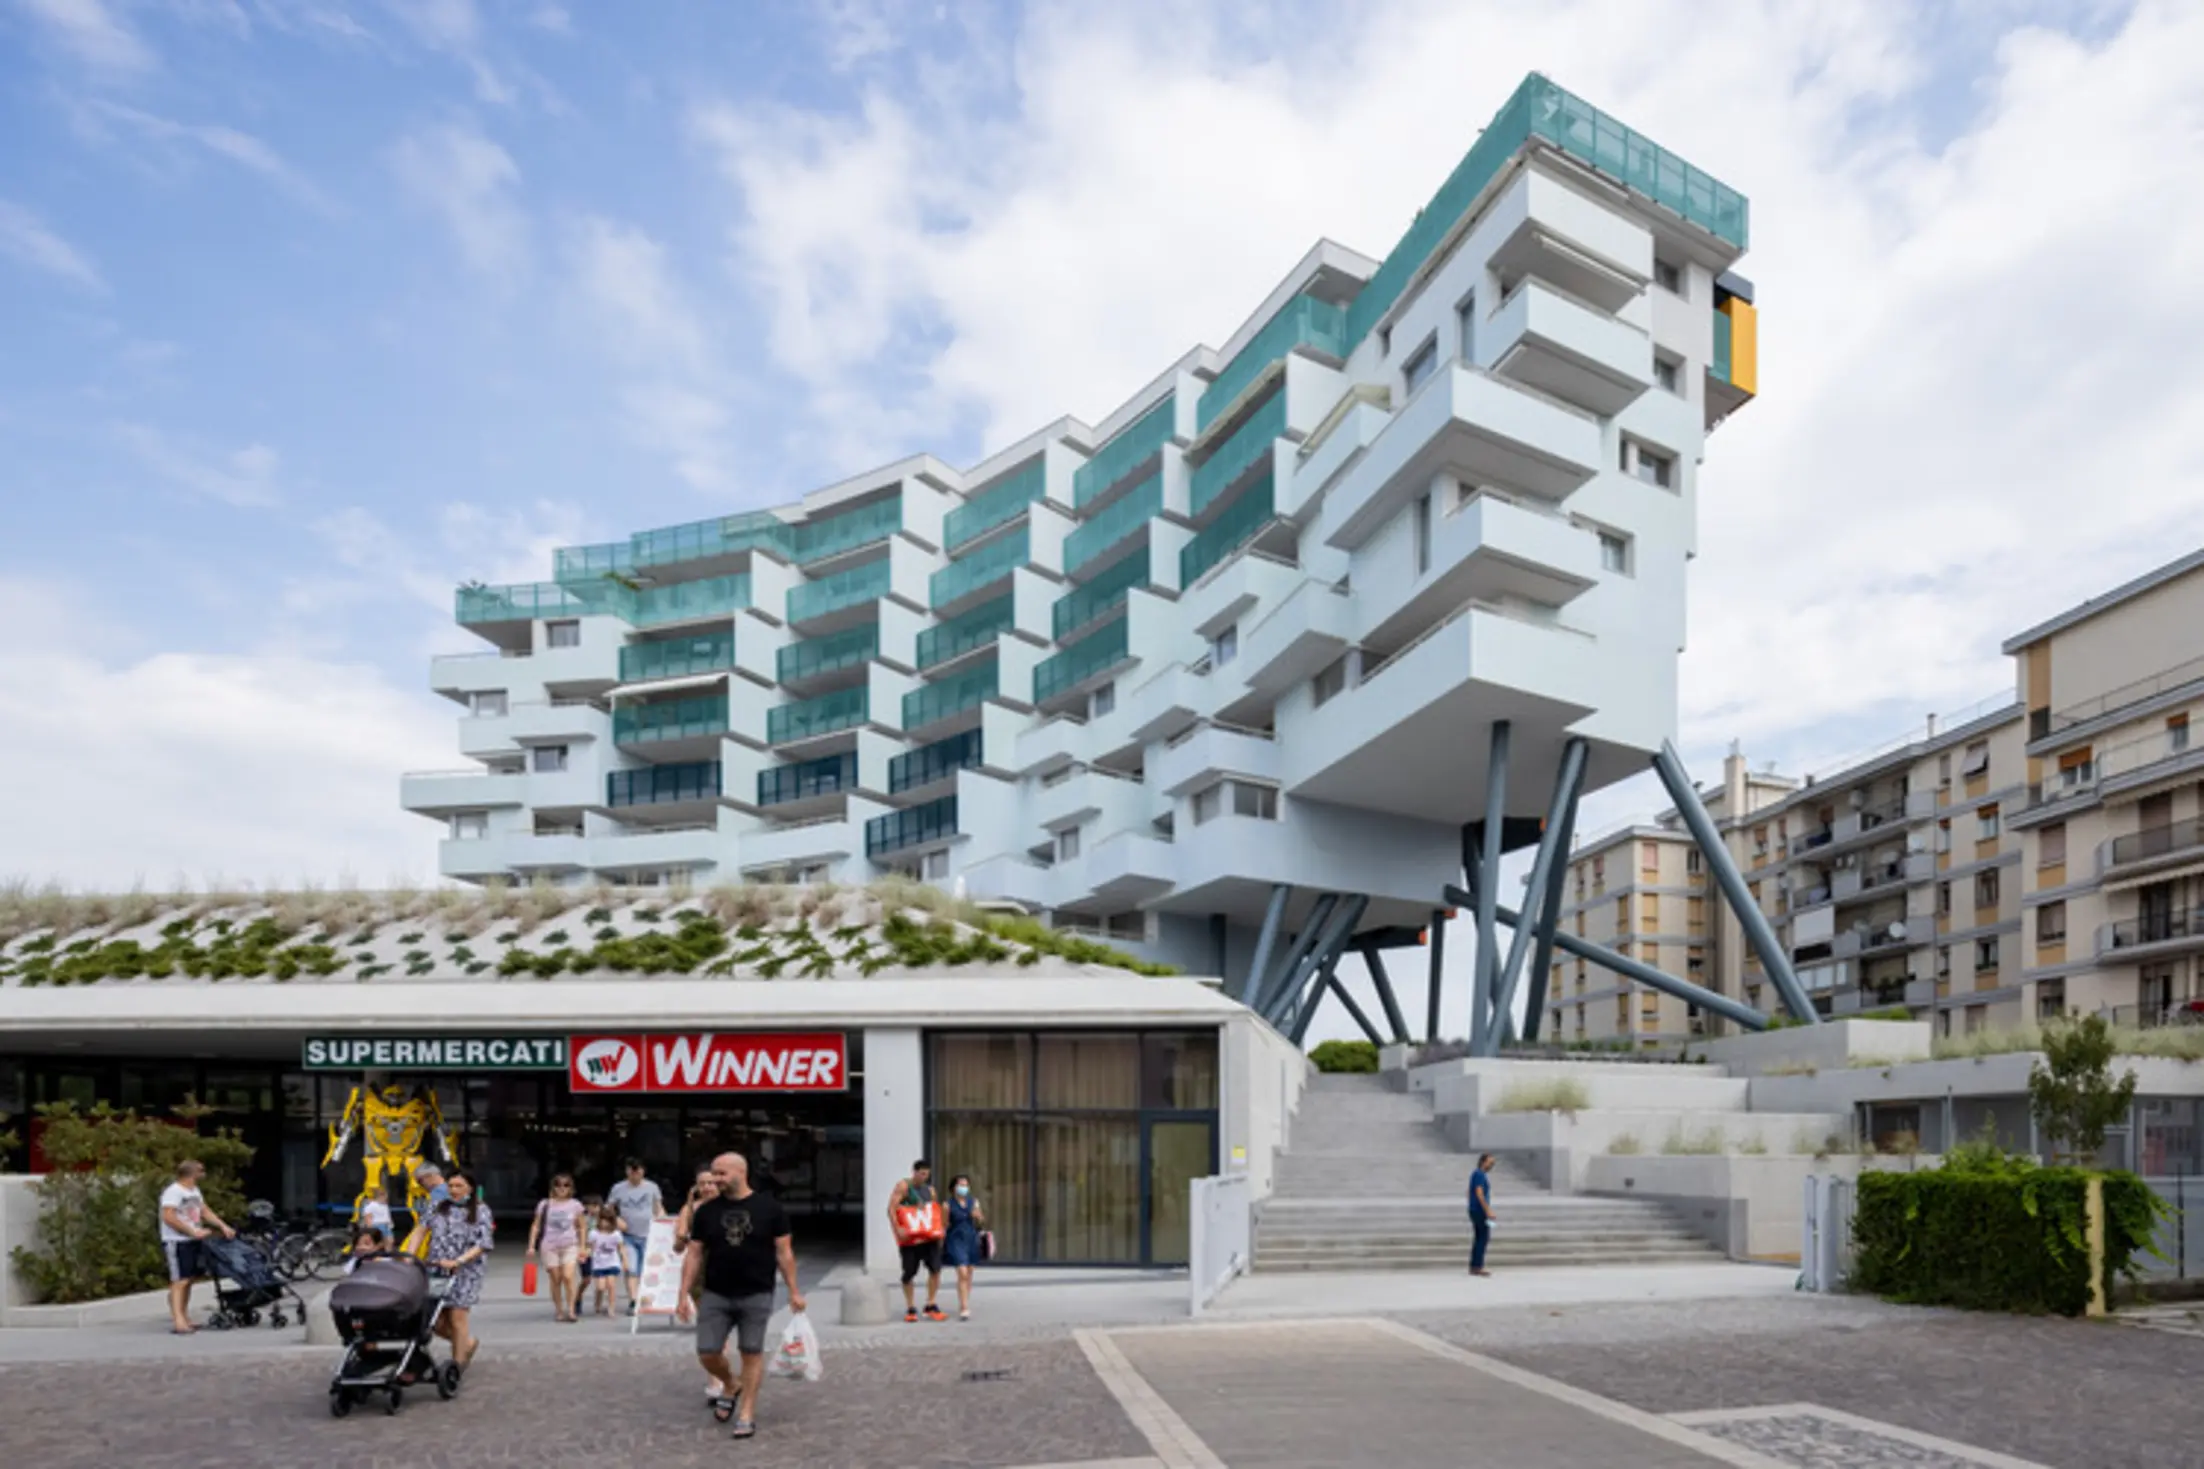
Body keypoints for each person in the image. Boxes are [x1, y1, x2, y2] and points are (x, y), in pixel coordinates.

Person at [686, 1152, 804, 1441]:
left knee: (751, 1352)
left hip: (757, 1292)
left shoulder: (770, 1208)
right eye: (713, 1173)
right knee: (708, 1351)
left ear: (741, 1172)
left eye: (721, 1173)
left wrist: (794, 1290)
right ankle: (730, 1383)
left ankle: (747, 1412)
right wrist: (683, 1293)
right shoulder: (706, 1212)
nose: (715, 1179)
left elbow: (784, 1252)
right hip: (716, 1292)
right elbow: (695, 1252)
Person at [424, 1169, 493, 1378]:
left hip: (466, 1270)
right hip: (436, 1268)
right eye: (451, 1186)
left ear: (470, 1188)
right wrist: (407, 1256)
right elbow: (421, 1230)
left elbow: (483, 1243)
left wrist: (459, 1260)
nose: (453, 1190)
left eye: (459, 1186)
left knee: (457, 1317)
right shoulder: (436, 1207)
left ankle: (457, 1364)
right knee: (434, 1321)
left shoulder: (481, 1211)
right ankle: (467, 1343)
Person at [159, 1159, 235, 1335]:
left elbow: (204, 1210)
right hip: (176, 1240)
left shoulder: (194, 1191)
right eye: (201, 1171)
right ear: (192, 1173)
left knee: (189, 1279)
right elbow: (168, 1217)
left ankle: (185, 1316)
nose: (203, 1174)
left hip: (193, 1239)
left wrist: (222, 1225)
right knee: (180, 1280)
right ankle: (178, 1320)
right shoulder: (174, 1192)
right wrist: (191, 1231)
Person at [526, 1173, 589, 1323]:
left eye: (566, 1185)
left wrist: (582, 1246)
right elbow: (536, 1225)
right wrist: (531, 1245)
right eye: (558, 1185)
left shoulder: (575, 1205)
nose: (562, 1188)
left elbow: (582, 1227)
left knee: (568, 1276)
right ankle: (559, 1310)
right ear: (553, 1187)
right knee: (555, 1278)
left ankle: (571, 1309)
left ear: (571, 1188)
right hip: (550, 1244)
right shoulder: (545, 1204)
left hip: (570, 1244)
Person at [887, 1157, 945, 1323]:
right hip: (911, 1239)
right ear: (914, 1172)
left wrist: (939, 1231)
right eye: (921, 1174)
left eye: (927, 1174)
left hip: (928, 1237)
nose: (924, 1177)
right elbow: (891, 1208)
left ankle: (931, 1303)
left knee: (935, 1269)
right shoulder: (904, 1186)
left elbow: (934, 1212)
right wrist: (898, 1228)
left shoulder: (930, 1190)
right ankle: (911, 1306)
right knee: (909, 1272)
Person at [607, 1157, 665, 1310]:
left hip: (649, 1235)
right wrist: (616, 1220)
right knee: (631, 1267)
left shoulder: (652, 1187)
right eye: (631, 1170)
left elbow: (658, 1207)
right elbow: (609, 1209)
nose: (634, 1174)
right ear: (626, 1171)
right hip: (628, 1235)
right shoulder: (618, 1188)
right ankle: (633, 1299)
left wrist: (664, 1223)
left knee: (645, 1269)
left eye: (637, 1170)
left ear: (642, 1171)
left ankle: (645, 1297)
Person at [670, 1166, 720, 1330]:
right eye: (702, 1184)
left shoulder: (729, 1206)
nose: (706, 1187)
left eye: (710, 1183)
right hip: (699, 1259)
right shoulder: (690, 1209)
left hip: (724, 1259)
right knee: (699, 1293)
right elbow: (678, 1246)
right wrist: (682, 1238)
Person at [941, 1173, 987, 1321]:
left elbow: (981, 1221)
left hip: (971, 1239)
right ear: (954, 1187)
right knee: (962, 1272)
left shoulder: (973, 1202)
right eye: (961, 1185)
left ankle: (964, 1299)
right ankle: (964, 1307)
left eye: (966, 1185)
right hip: (955, 1239)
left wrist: (978, 1216)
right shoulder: (947, 1205)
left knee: (969, 1273)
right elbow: (944, 1224)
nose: (964, 1188)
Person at [586, 1205, 628, 1317]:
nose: (605, 1223)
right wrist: (586, 1253)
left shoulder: (616, 1234)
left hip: (612, 1262)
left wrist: (625, 1261)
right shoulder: (594, 1233)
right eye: (603, 1220)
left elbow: (621, 1248)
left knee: (611, 1285)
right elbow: (589, 1246)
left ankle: (611, 1307)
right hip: (599, 1263)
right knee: (600, 1286)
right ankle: (598, 1302)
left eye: (608, 1221)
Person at [1468, 1153, 1496, 1277]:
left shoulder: (1477, 1174)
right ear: (1483, 1162)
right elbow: (1479, 1193)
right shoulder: (1479, 1175)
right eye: (1490, 1163)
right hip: (1480, 1211)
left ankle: (1474, 1265)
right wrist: (1488, 1210)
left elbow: (1469, 1192)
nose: (1491, 1165)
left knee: (1479, 1237)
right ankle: (1477, 1266)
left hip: (1475, 1209)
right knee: (1483, 1237)